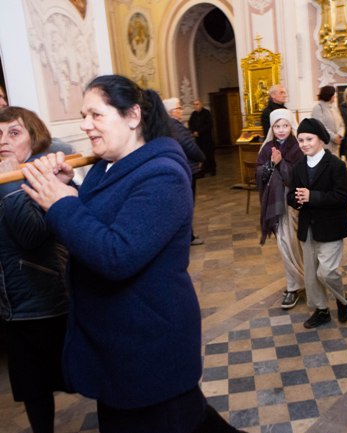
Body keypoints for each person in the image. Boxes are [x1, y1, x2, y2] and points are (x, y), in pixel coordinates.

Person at [20, 75, 244, 433]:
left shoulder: (163, 175)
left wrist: (62, 204)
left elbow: (117, 254)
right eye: (83, 115)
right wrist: (67, 189)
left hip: (149, 341)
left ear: (133, 116)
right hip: (118, 341)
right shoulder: (106, 166)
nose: (84, 125)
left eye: (95, 114)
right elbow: (97, 220)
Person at [0, 107, 69, 433]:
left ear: (35, 137)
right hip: (13, 308)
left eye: (13, 133)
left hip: (47, 303)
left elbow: (29, 234)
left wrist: (9, 180)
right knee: (34, 392)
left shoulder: (45, 176)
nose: (3, 141)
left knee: (78, 377)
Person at [287, 118, 347, 329]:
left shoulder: (336, 165)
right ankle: (321, 310)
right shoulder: (298, 167)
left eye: (309, 139)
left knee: (327, 272)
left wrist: (312, 197)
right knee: (311, 276)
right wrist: (297, 198)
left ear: (321, 139)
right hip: (308, 228)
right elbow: (291, 196)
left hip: (331, 227)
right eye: (301, 140)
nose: (304, 144)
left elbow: (341, 196)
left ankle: (343, 300)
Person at [256, 108, 305, 309]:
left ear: (291, 126)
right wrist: (271, 164)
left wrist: (281, 163)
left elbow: (299, 174)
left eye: (285, 125)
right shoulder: (267, 147)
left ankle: (303, 281)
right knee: (284, 244)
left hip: (295, 203)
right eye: (277, 126)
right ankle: (294, 285)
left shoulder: (298, 147)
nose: (281, 130)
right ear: (272, 127)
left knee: (297, 244)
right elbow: (259, 175)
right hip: (276, 205)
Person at [163, 97, 206, 245]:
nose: (181, 111)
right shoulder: (176, 127)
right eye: (179, 108)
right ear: (171, 112)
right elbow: (189, 146)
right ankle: (188, 237)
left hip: (178, 167)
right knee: (187, 204)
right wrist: (201, 157)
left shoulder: (166, 125)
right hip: (186, 167)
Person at [311, 85, 345, 156]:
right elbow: (320, 126)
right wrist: (333, 137)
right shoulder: (318, 108)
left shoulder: (334, 108)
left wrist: (340, 135)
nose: (335, 97)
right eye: (334, 95)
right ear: (329, 96)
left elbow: (342, 124)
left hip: (336, 145)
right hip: (325, 144)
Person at [188, 99, 216, 176]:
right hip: (198, 138)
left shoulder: (206, 113)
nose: (195, 106)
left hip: (206, 138)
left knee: (209, 154)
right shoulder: (193, 114)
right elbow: (190, 124)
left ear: (201, 104)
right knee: (201, 154)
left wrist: (199, 132)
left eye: (197, 104)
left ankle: (212, 170)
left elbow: (209, 125)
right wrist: (193, 131)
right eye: (194, 104)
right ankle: (203, 170)